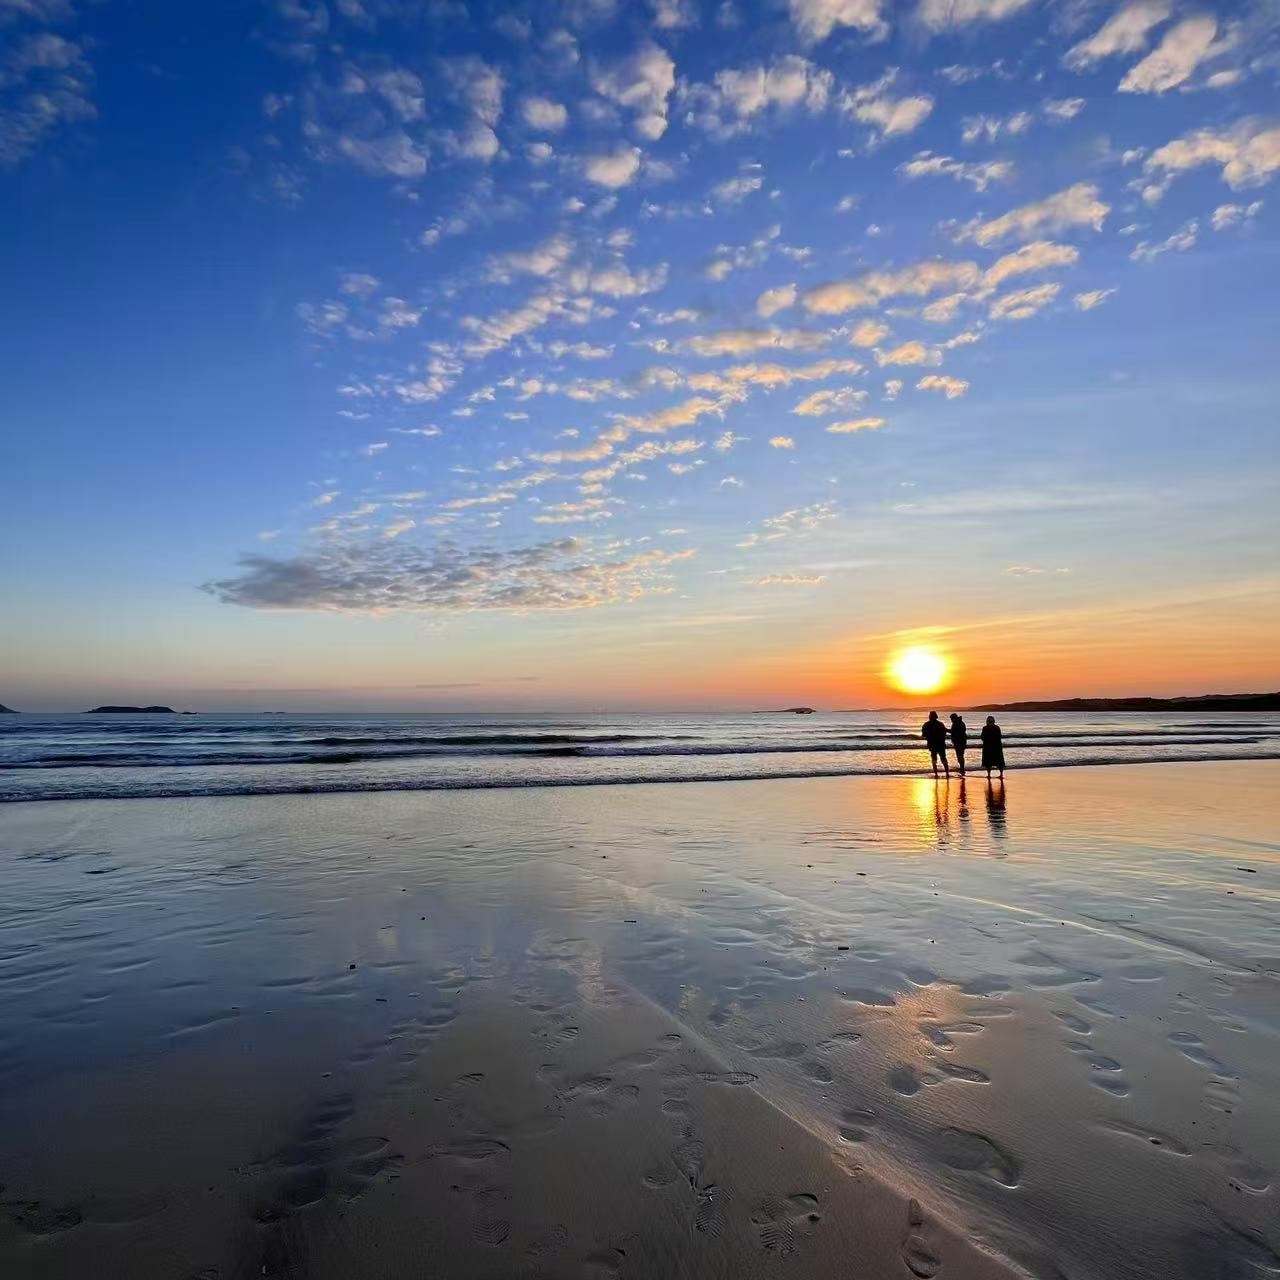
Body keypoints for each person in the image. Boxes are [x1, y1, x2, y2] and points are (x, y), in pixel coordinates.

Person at [921, 710, 950, 777]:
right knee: (943, 759)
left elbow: (923, 734)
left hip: (932, 744)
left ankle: (936, 774)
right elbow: (944, 733)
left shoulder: (926, 724)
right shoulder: (940, 724)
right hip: (941, 744)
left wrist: (930, 735)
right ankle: (947, 773)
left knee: (934, 759)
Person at [981, 715, 1005, 779]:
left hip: (988, 747)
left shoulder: (985, 728)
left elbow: (982, 737)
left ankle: (989, 775)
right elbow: (999, 736)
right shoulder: (997, 728)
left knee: (988, 762)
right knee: (999, 761)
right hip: (997, 747)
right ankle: (1001, 774)